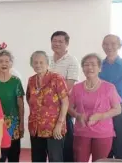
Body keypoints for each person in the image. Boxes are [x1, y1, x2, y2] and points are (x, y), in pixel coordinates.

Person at [68, 53, 122, 162]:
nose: (89, 67)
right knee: (79, 160)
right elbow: (69, 107)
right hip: (81, 132)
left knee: (100, 161)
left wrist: (101, 116)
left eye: (93, 64)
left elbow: (117, 109)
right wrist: (77, 115)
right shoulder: (76, 88)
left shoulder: (109, 87)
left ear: (100, 68)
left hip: (103, 133)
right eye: (86, 65)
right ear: (82, 69)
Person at [26, 50, 69, 162]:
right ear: (32, 64)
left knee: (55, 159)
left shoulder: (57, 78)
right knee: (37, 159)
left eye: (41, 62)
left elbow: (65, 102)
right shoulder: (31, 80)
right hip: (35, 128)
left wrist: (59, 124)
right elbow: (29, 99)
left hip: (54, 128)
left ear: (47, 63)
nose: (38, 65)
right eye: (35, 62)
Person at [99, 34, 122, 162]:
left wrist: (117, 103)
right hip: (102, 113)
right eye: (106, 44)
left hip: (121, 111)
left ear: (119, 46)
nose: (109, 47)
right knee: (104, 149)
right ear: (102, 46)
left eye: (113, 43)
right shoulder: (97, 67)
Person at [0, 50, 25, 162]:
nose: (4, 64)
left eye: (7, 61)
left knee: (14, 156)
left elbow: (21, 105)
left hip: (13, 124)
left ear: (11, 64)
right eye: (1, 61)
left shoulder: (16, 81)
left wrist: (21, 124)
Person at [49, 31, 79, 162]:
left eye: (60, 41)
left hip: (63, 106)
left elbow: (69, 85)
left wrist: (50, 96)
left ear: (67, 44)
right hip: (47, 108)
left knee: (65, 142)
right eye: (54, 41)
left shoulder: (72, 61)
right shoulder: (47, 60)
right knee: (52, 144)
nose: (57, 44)